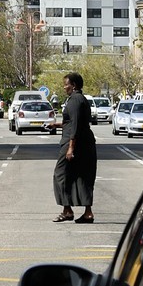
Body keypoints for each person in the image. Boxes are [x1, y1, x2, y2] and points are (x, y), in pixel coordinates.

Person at [53, 71, 98, 224]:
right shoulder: (81, 99)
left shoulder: (75, 100)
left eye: (66, 84)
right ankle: (88, 213)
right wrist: (58, 124)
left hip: (74, 144)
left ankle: (67, 210)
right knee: (83, 177)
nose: (64, 87)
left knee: (60, 175)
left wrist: (71, 148)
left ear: (73, 85)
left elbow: (77, 125)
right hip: (85, 143)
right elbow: (75, 122)